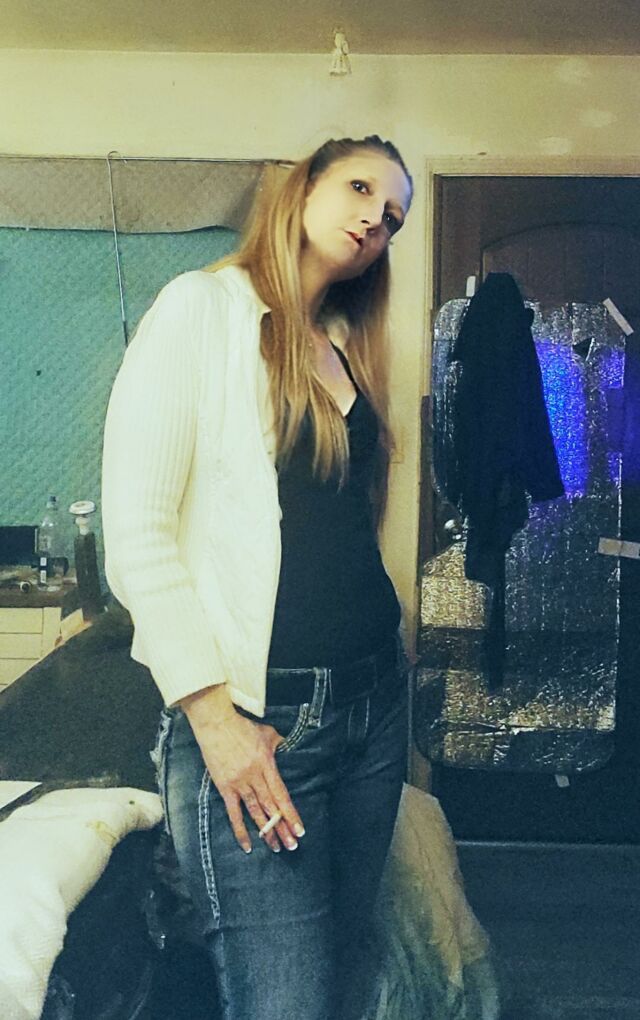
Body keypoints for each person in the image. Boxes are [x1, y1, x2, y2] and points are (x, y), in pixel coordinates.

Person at [101, 135, 414, 1020]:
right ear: (304, 188)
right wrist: (214, 720)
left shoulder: (340, 346)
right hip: (267, 721)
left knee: (344, 973)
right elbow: (137, 533)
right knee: (285, 1000)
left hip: (374, 705)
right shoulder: (201, 310)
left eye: (393, 216)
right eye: (361, 189)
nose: (375, 220)